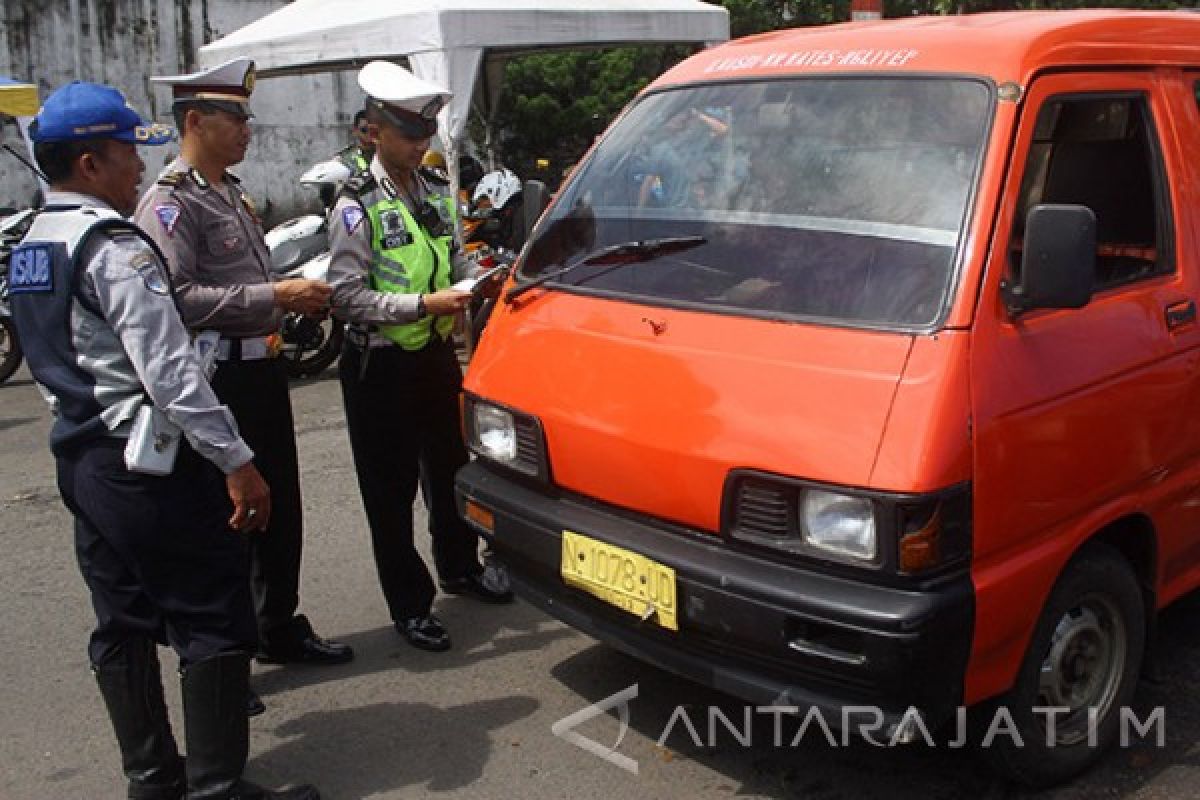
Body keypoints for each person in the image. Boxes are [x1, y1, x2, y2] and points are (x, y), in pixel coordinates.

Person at [8, 80, 318, 800]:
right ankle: (216, 787)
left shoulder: (31, 243)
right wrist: (238, 463)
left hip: (82, 456)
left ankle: (152, 778)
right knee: (213, 613)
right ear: (89, 164)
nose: (138, 169)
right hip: (144, 463)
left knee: (119, 622)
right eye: (125, 155)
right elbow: (172, 373)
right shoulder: (114, 249)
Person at [133, 58, 353, 669]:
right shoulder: (171, 204)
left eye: (247, 116)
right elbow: (174, 298)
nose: (248, 128)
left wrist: (284, 292)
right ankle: (227, 654)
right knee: (229, 517)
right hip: (218, 376)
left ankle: (276, 625)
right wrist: (274, 296)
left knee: (278, 506)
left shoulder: (230, 192)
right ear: (195, 120)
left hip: (262, 370)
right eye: (235, 116)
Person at [327, 60, 512, 652]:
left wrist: (476, 279)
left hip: (433, 357)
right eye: (409, 134)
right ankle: (409, 605)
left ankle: (459, 568)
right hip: (378, 365)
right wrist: (422, 302)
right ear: (373, 132)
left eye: (426, 134)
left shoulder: (433, 190)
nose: (420, 145)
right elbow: (347, 297)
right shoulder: (354, 205)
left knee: (450, 467)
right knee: (390, 490)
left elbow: (454, 256)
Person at [335, 109, 374, 174]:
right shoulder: (346, 157)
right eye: (364, 130)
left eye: (372, 130)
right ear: (355, 130)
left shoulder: (386, 154)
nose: (369, 134)